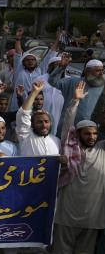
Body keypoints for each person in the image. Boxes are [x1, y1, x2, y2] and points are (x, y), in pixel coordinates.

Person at [53, 81, 105, 254]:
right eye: (87, 133)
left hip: (93, 218)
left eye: (94, 133)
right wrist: (75, 101)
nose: (91, 137)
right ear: (78, 134)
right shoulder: (70, 149)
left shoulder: (101, 150)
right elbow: (68, 124)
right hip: (66, 216)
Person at [16, 81, 60, 156]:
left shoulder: (56, 141)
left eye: (46, 121)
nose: (44, 125)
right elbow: (23, 114)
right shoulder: (26, 136)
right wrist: (34, 92)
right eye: (39, 122)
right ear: (32, 124)